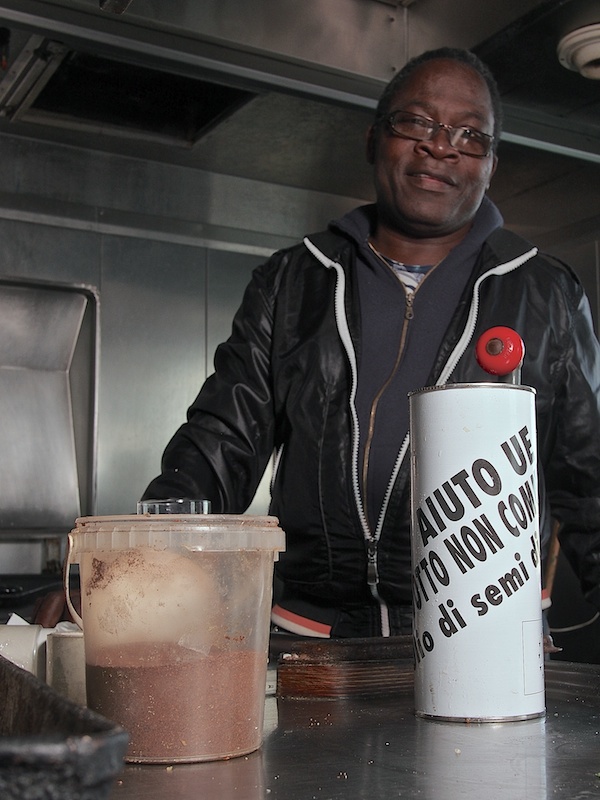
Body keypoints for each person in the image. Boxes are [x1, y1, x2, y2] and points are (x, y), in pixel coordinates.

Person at [142, 47, 600, 639]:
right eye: (417, 122)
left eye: (470, 135)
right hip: (313, 639)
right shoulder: (294, 280)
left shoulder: (545, 291)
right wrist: (132, 570)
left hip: (484, 642)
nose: (440, 146)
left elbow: (589, 481)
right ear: (373, 140)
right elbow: (220, 443)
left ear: (489, 164)